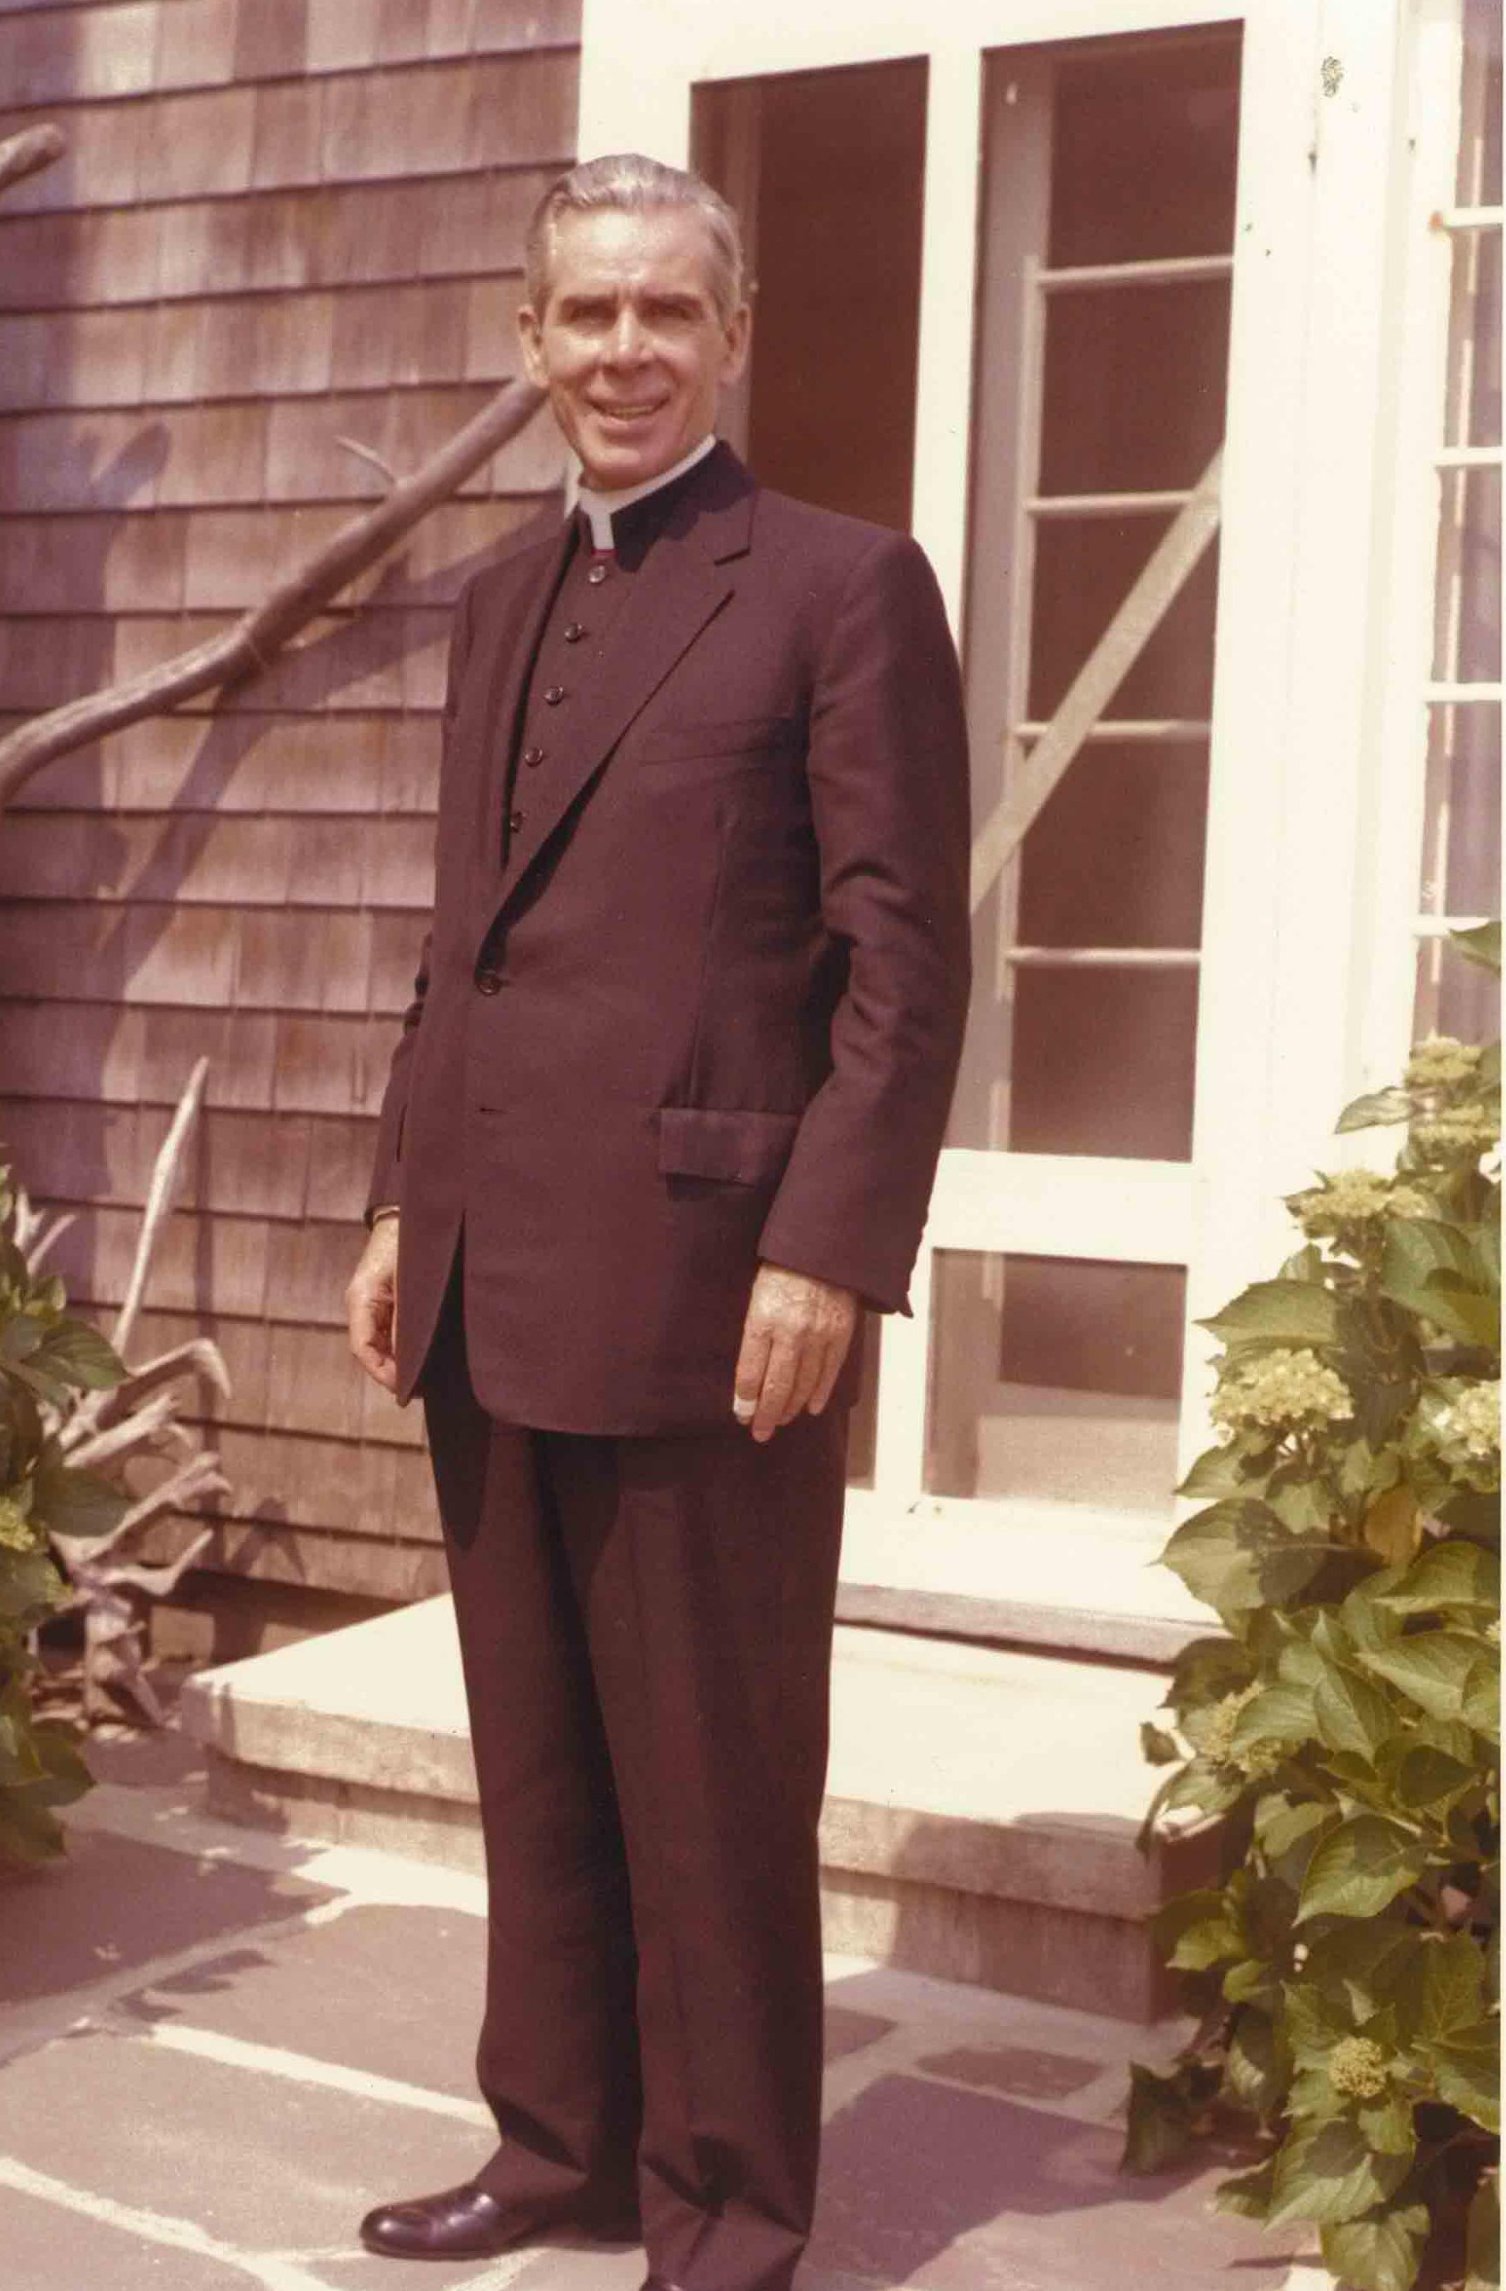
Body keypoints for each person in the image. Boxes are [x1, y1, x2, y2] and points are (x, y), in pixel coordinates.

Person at [343, 153, 971, 2291]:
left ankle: (723, 2219)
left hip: (713, 1285)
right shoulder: (490, 603)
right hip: (485, 1259)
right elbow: (463, 946)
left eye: (661, 313)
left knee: (705, 1787)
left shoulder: (837, 584)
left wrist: (823, 1247)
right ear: (527, 343)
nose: (620, 349)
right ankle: (561, 2151)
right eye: (582, 314)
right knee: (533, 1753)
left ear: (731, 335)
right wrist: (389, 1205)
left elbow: (904, 966)